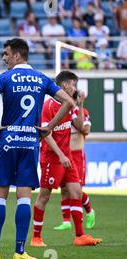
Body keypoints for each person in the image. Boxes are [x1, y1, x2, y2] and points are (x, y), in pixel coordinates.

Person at [0, 38, 74, 259]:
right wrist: (49, 127)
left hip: (8, 139)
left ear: (17, 56)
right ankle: (20, 252)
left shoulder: (4, 78)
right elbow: (68, 102)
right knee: (24, 198)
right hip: (31, 140)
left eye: (6, 54)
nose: (4, 58)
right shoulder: (41, 78)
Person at [31, 70, 102, 247]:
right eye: (73, 85)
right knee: (44, 196)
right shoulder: (48, 106)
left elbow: (80, 126)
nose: (74, 88)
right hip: (51, 158)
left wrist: (79, 105)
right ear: (64, 86)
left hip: (66, 157)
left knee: (76, 192)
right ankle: (36, 237)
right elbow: (46, 134)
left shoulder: (69, 106)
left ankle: (80, 236)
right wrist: (61, 155)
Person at [54, 91, 96, 231]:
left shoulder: (82, 112)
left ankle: (89, 211)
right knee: (64, 188)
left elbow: (85, 129)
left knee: (76, 189)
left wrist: (79, 108)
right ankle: (66, 221)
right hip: (65, 155)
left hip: (77, 155)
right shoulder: (61, 113)